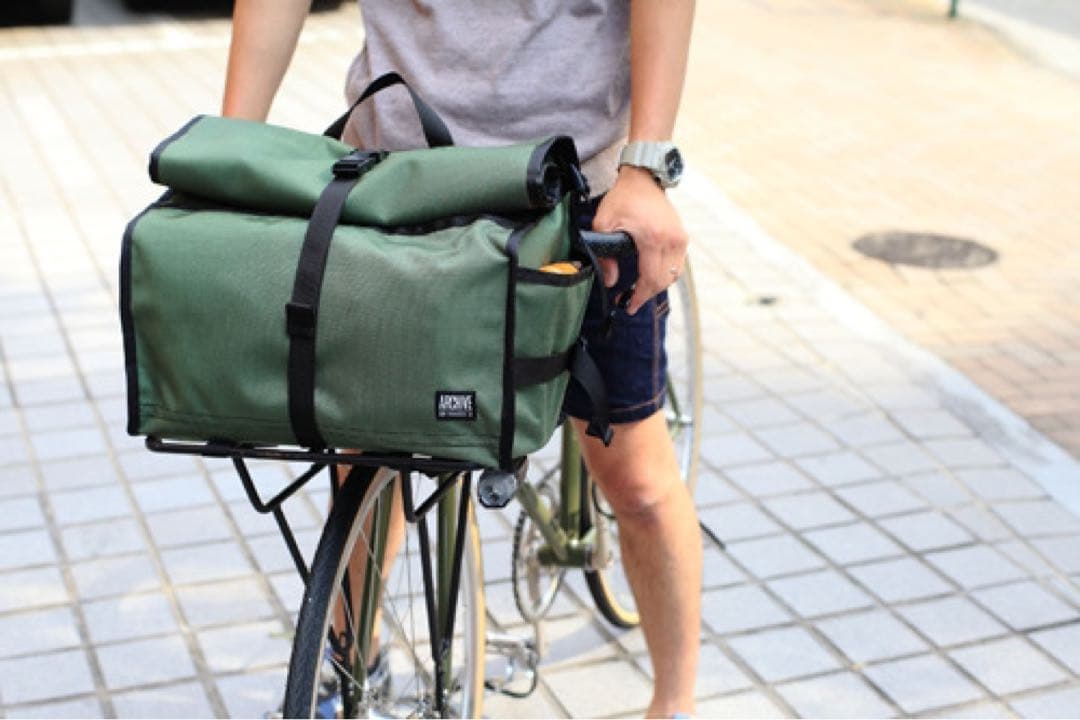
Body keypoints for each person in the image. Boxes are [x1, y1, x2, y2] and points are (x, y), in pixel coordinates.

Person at [222, 1, 701, 717]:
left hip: (578, 183)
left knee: (635, 478)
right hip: (398, 179)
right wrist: (233, 149)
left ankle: (675, 701)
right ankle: (354, 660)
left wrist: (647, 164)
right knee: (370, 446)